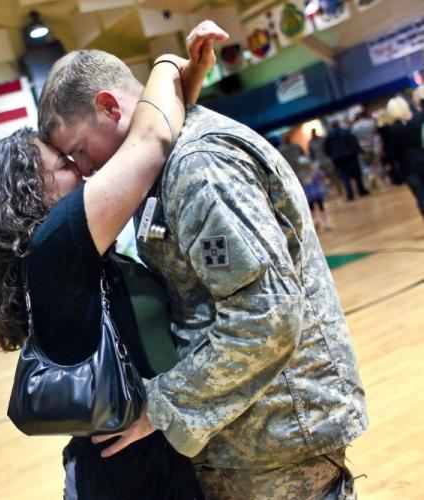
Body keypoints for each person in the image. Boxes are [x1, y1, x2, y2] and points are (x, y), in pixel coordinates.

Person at [38, 48, 368, 498]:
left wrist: (160, 405)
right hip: (245, 434)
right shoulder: (163, 167)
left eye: (78, 150)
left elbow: (265, 316)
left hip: (278, 438)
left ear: (109, 106)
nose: (84, 169)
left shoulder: (199, 165)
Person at [0, 21, 227, 499]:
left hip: (139, 463)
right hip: (132, 476)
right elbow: (149, 142)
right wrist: (169, 65)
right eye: (65, 163)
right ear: (31, 192)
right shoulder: (54, 248)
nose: (83, 170)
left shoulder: (66, 258)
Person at [385, 95, 424, 221]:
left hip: (407, 165)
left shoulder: (392, 130)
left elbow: (391, 152)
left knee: (420, 196)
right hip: (422, 156)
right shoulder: (419, 119)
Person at [324, 121, 370, 201]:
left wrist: (332, 156)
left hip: (339, 160)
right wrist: (360, 151)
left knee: (345, 177)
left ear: (331, 126)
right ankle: (361, 190)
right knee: (357, 175)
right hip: (351, 156)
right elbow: (354, 142)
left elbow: (326, 149)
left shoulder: (329, 136)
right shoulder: (346, 132)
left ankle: (350, 194)